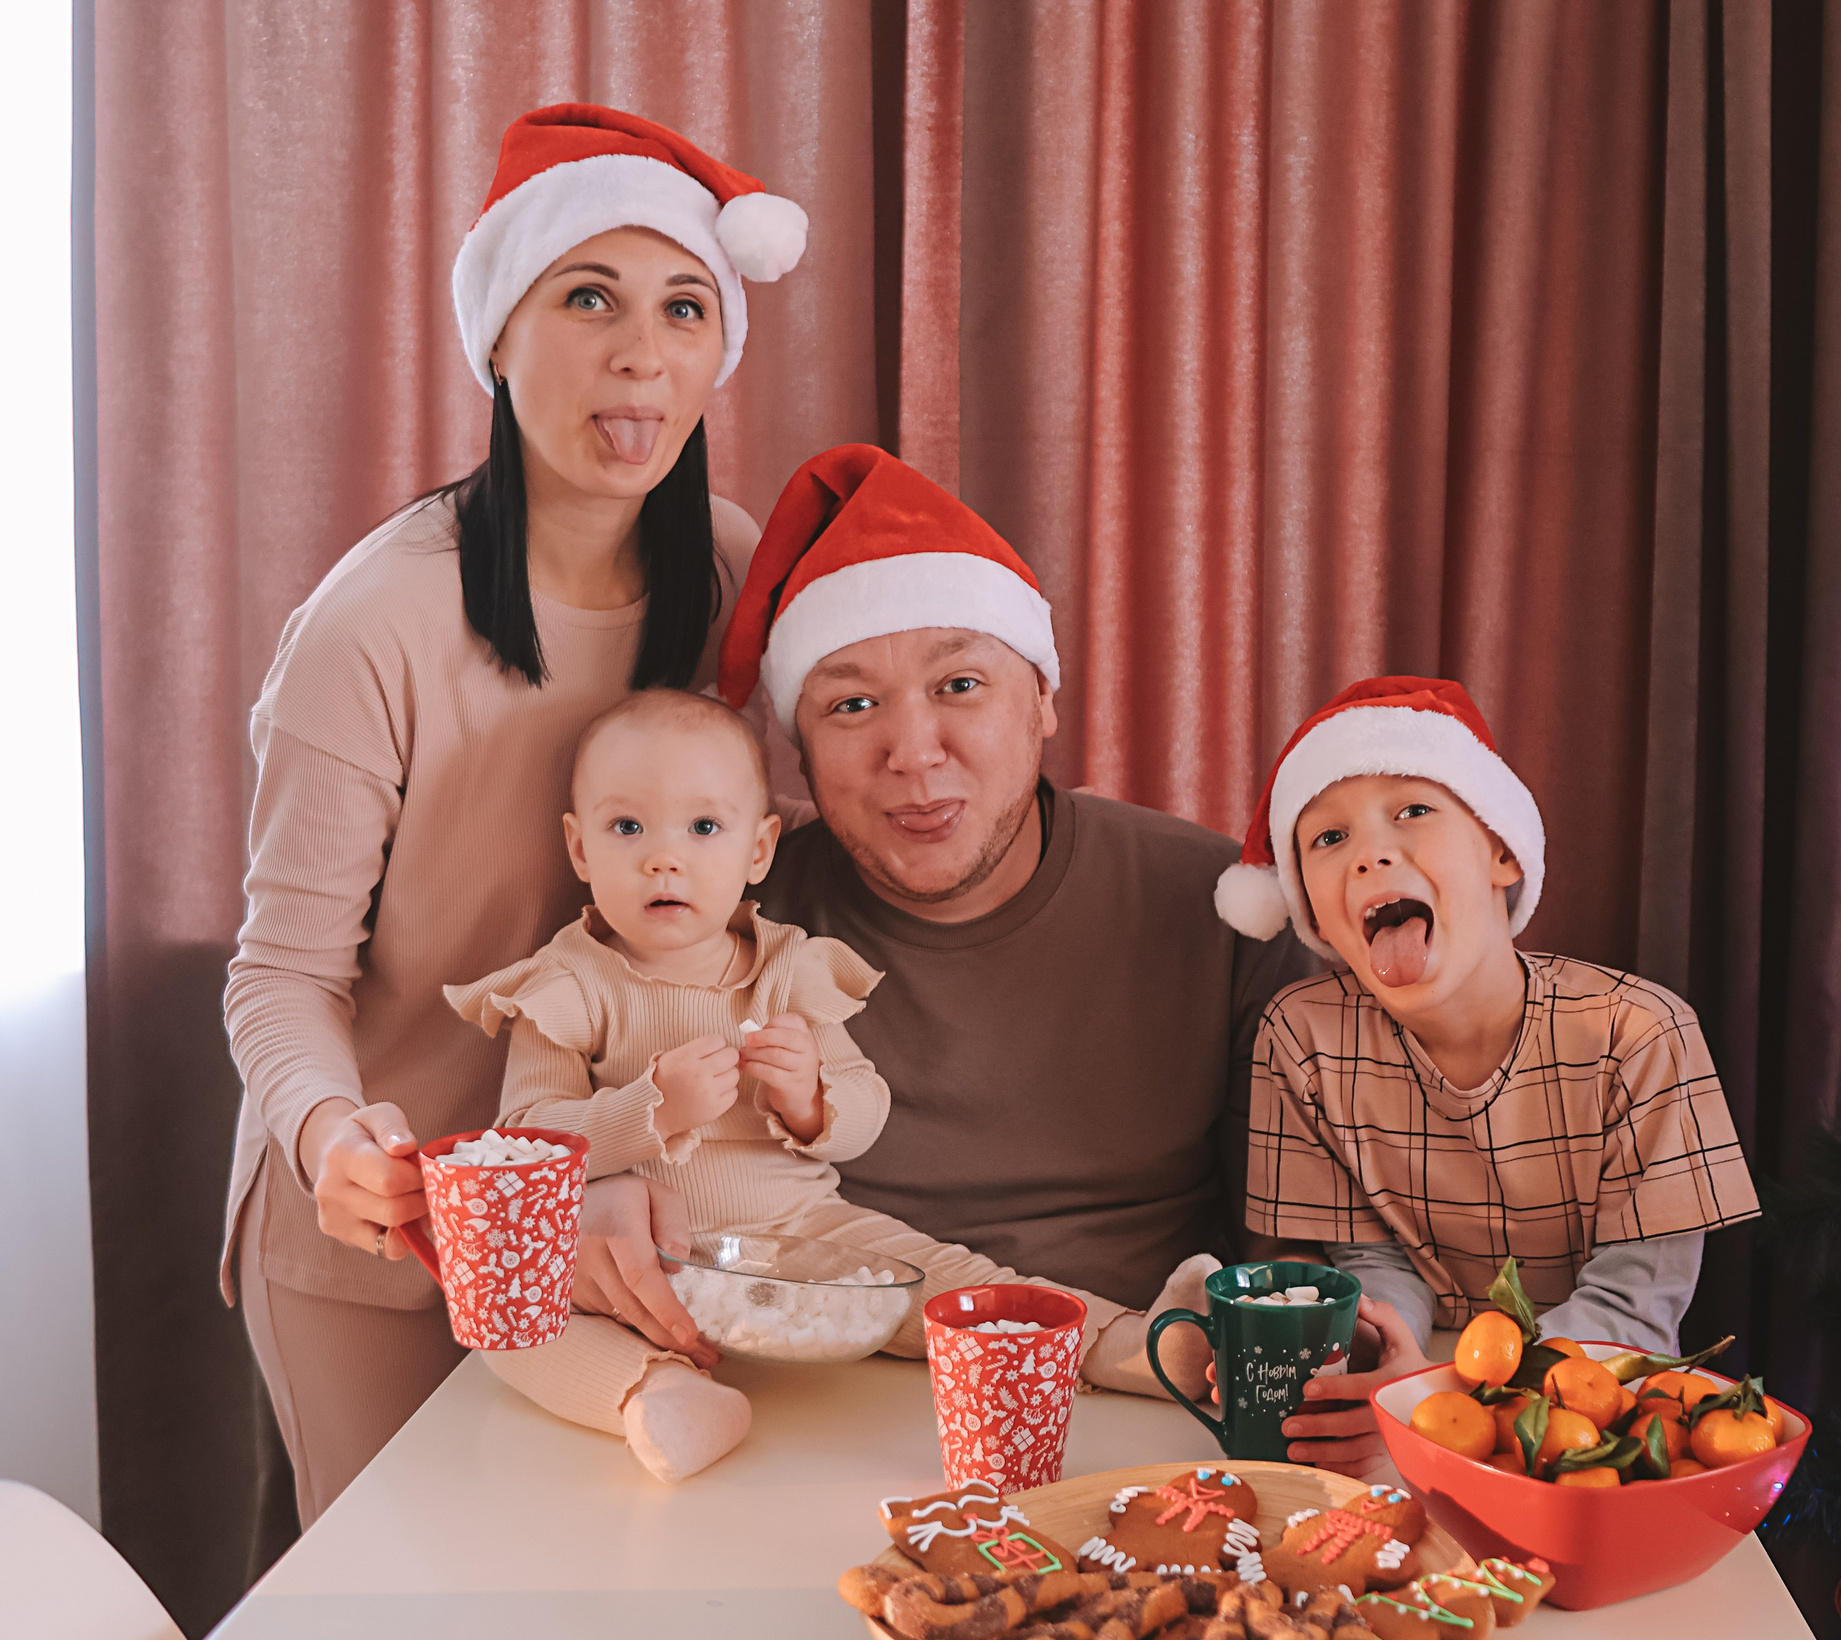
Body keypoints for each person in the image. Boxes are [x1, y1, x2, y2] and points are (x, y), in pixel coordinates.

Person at [221, 104, 813, 1523]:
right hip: (392, 1225)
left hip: (622, 1212)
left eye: (684, 308)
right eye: (588, 298)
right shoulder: (375, 625)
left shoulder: (737, 570)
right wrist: (325, 1136)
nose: (642, 352)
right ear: (498, 335)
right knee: (396, 1626)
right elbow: (283, 972)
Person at [443, 690, 1215, 1480]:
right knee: (502, 1315)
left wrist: (812, 1101)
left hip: (798, 1229)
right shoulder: (570, 979)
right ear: (578, 848)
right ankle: (655, 1392)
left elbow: (865, 1104)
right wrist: (650, 1109)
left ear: (758, 848)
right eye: (627, 827)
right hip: (637, 1260)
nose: (662, 857)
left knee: (947, 1278)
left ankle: (1137, 1344)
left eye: (703, 828)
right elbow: (525, 1143)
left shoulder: (785, 967)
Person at [720, 444, 1316, 1345]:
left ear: (1041, 696)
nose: (914, 752)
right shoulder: (726, 927)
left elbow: (1299, 1264)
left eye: (960, 685)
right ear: (795, 745)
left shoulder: (1224, 910)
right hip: (828, 1384)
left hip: (1155, 1386)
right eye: (850, 706)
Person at [1213, 675, 1763, 1472]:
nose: (1370, 852)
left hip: (1589, 1414)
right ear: (1314, 914)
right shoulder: (1301, 1038)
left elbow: (1632, 1309)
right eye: (1327, 839)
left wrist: (1440, 1401)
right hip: (1415, 1406)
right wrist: (1345, 1359)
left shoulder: (1642, 1034)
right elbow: (1372, 1263)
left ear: (1503, 851)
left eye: (1412, 810)